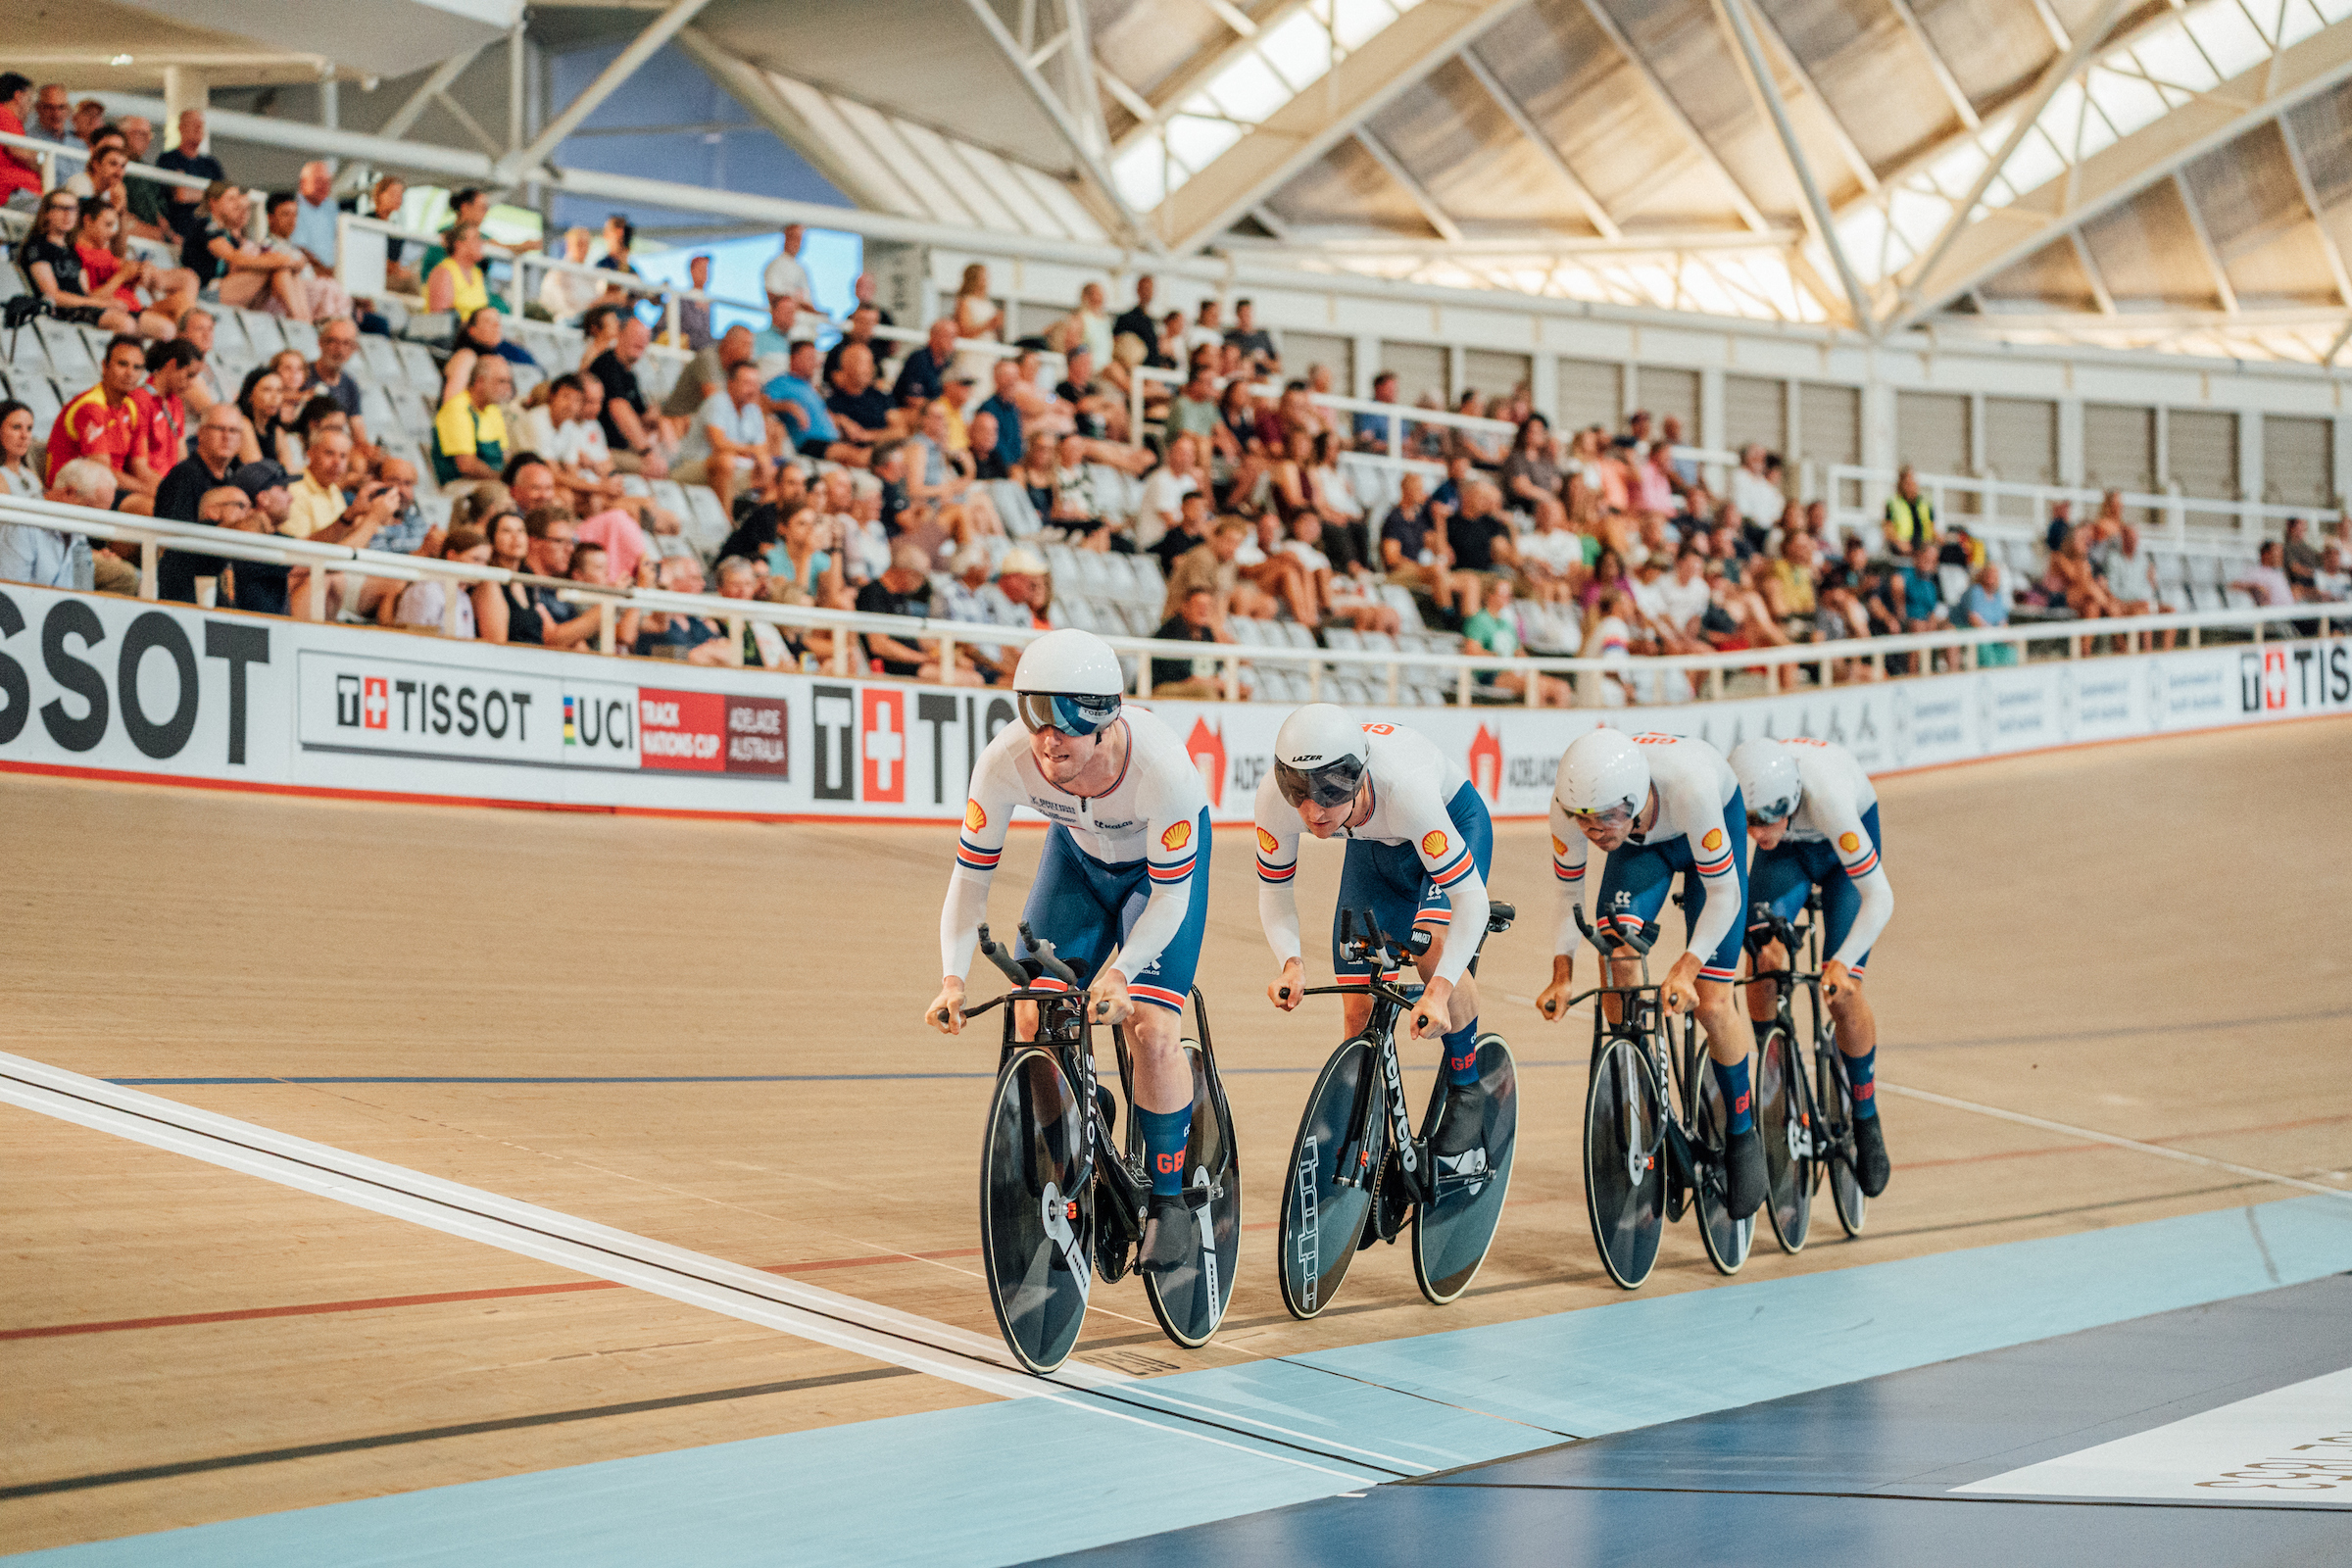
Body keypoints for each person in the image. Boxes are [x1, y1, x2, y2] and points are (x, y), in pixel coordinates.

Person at [925, 629, 1215, 1273]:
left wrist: (1122, 971)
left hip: (1156, 882)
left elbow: (1170, 901)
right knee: (1032, 1017)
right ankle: (1073, 1145)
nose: (1048, 738)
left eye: (1063, 722)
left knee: (1151, 1028)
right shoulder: (1005, 760)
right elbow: (969, 881)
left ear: (1104, 722)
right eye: (1034, 717)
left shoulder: (1163, 769)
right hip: (1079, 864)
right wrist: (952, 977)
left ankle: (1169, 1201)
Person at [1537, 728, 1766, 1219]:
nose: (1595, 834)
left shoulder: (1692, 788)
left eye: (1605, 823)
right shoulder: (1573, 807)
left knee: (1711, 997)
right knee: (1617, 956)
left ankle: (1743, 1130)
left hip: (1703, 828)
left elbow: (1724, 895)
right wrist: (1562, 973)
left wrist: (1686, 967)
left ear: (1633, 799)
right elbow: (1567, 896)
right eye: (1585, 823)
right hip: (1643, 847)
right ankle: (1637, 1088)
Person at [1257, 707, 1497, 1157]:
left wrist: (1439, 992)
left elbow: (1472, 902)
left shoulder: (1405, 791)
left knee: (1429, 948)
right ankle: (1362, 1125)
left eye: (1328, 793)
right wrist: (1290, 962)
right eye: (1298, 793)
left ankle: (1468, 1085)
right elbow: (1274, 890)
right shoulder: (1275, 799)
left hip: (1448, 821)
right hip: (1373, 847)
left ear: (1358, 777)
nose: (1313, 811)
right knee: (1357, 1010)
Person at [1730, 738, 1893, 1198]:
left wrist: (1842, 964)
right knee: (1763, 958)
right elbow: (1764, 838)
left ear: (1789, 802)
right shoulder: (1762, 804)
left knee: (1843, 993)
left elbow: (1880, 897)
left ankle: (1865, 1115)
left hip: (1842, 855)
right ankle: (1774, 1073)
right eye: (1750, 823)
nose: (1757, 834)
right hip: (1789, 855)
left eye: (1765, 821)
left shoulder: (1828, 796)